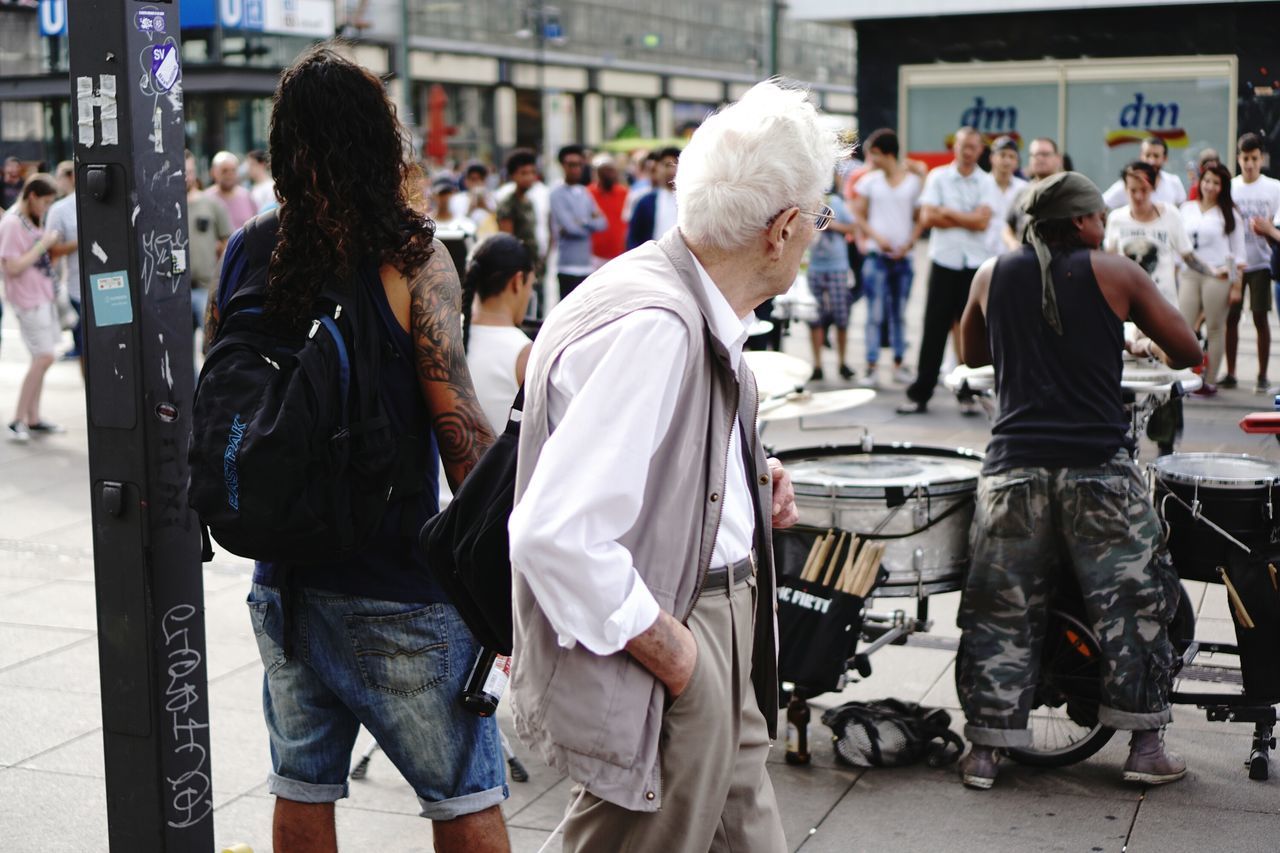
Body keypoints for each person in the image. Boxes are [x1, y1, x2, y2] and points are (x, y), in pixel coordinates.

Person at [508, 80, 824, 852]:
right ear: (782, 229)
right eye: (820, 218)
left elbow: (651, 446)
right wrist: (678, 657)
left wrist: (747, 475)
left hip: (711, 620)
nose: (821, 232)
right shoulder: (661, 322)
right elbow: (555, 533)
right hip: (683, 626)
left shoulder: (673, 292)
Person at [210, 46, 507, 853]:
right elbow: (460, 433)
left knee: (303, 786)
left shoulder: (248, 247)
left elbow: (226, 393)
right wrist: (507, 579)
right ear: (382, 141)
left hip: (285, 582)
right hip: (396, 583)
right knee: (465, 797)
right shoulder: (415, 256)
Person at [955, 171, 1202, 791]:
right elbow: (1187, 351)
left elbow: (971, 355)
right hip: (1098, 472)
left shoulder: (992, 273)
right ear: (1083, 222)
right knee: (1135, 604)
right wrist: (1129, 338)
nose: (1103, 224)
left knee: (999, 610)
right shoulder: (1116, 272)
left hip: (1012, 471)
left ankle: (984, 752)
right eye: (1098, 216)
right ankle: (1145, 749)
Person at [1103, 160, 1212, 455]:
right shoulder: (1117, 219)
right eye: (1132, 190)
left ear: (1152, 186)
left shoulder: (1171, 216)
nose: (1137, 196)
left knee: (1168, 376)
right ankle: (1121, 441)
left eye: (1143, 189)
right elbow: (1109, 260)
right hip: (1126, 310)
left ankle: (1165, 445)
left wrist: (1214, 275)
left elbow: (1187, 255)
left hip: (1162, 305)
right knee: (1122, 376)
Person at [898, 126, 1000, 415]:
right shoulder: (938, 176)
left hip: (974, 265)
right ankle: (921, 393)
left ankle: (969, 392)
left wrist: (948, 213)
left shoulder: (987, 182)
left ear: (980, 150)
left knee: (972, 331)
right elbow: (929, 217)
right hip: (945, 260)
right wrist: (965, 217)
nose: (967, 152)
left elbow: (982, 223)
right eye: (963, 146)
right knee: (934, 328)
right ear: (954, 147)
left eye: (973, 147)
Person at [851, 128, 922, 387]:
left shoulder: (913, 183)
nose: (872, 160)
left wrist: (910, 241)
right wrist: (873, 237)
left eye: (876, 154)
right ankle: (871, 365)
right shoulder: (870, 181)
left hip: (904, 257)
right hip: (877, 255)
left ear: (888, 154)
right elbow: (858, 213)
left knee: (899, 313)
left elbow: (920, 217)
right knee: (875, 313)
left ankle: (899, 363)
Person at [0, 174, 64, 441]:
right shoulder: (13, 223)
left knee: (43, 359)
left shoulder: (26, 219)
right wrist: (43, 245)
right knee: (44, 357)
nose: (46, 208)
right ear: (33, 196)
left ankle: (33, 418)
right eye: (45, 202)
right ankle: (18, 419)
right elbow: (12, 266)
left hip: (41, 295)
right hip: (27, 298)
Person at [1179, 162, 1246, 397]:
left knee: (1216, 329)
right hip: (1190, 273)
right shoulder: (1186, 209)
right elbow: (1177, 245)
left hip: (1218, 276)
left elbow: (1238, 254)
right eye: (1207, 180)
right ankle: (1186, 376)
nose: (1210, 186)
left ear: (1223, 187)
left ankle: (1209, 380)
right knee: (1184, 326)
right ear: (1200, 181)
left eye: (1216, 183)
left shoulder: (1230, 214)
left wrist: (1236, 285)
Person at [1224, 133, 1280, 393]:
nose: (1249, 164)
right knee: (1231, 317)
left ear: (1261, 159)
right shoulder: (1231, 187)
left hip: (1261, 261)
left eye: (1254, 159)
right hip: (1235, 261)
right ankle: (1231, 372)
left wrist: (1268, 230)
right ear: (1238, 159)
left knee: (1260, 317)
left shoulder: (1274, 187)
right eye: (1245, 158)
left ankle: (1262, 374)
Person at [461, 234, 534, 432]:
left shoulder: (444, 334)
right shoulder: (524, 353)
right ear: (517, 282)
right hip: (499, 463)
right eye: (531, 286)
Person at [804, 174, 858, 381]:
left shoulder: (836, 203)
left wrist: (829, 224)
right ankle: (817, 365)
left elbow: (852, 228)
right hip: (814, 265)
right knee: (814, 318)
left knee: (841, 316)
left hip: (837, 266)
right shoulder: (808, 204)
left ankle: (842, 362)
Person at [548, 143, 607, 299]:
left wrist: (582, 221)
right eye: (571, 165)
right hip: (567, 266)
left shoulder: (584, 192)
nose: (576, 169)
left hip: (586, 264)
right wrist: (589, 222)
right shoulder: (557, 193)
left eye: (579, 165)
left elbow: (602, 223)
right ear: (563, 166)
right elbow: (570, 228)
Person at [185, 151, 232, 341]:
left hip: (206, 289)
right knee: (180, 349)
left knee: (212, 344)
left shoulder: (212, 204)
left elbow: (228, 241)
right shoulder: (164, 206)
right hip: (175, 290)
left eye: (190, 171)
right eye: (182, 171)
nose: (186, 176)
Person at [44, 160, 82, 362]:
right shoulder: (59, 209)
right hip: (75, 288)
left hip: (107, 285)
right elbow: (51, 251)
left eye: (59, 177)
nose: (58, 182)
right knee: (85, 351)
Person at [1002, 137, 1063, 249]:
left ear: (1058, 158)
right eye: (1034, 155)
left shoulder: (1067, 190)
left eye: (1045, 154)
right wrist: (1013, 244)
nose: (1039, 158)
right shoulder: (1023, 192)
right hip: (1026, 260)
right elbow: (1008, 227)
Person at [496, 148, 542, 286]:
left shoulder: (530, 202)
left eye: (532, 173)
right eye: (524, 173)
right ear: (513, 175)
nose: (529, 177)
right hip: (518, 272)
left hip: (534, 267)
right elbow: (507, 241)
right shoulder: (508, 204)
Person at [1102, 136, 1186, 210]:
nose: (1151, 161)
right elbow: (1102, 204)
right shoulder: (1128, 184)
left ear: (1165, 158)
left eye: (1156, 156)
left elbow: (1184, 211)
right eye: (1147, 155)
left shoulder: (1174, 182)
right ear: (1141, 156)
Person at [625, 146, 680, 250]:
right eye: (667, 165)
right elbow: (634, 237)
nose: (671, 170)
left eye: (675, 165)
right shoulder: (646, 202)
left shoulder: (692, 201)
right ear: (657, 168)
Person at [985, 136, 1027, 256]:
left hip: (1013, 255)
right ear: (992, 158)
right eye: (1002, 155)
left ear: (1017, 162)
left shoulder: (1024, 188)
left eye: (1011, 156)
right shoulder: (980, 185)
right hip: (981, 255)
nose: (1007, 161)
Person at [587, 152, 628, 266]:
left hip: (619, 255)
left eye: (611, 170)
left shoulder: (624, 193)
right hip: (593, 256)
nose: (608, 174)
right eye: (604, 170)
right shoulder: (588, 193)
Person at [205, 150, 257, 231]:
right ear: (213, 172)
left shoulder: (247, 196)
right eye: (224, 171)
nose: (229, 175)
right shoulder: (206, 198)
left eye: (233, 170)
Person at [450, 162, 496, 230]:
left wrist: (485, 207)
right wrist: (470, 208)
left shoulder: (492, 198)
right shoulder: (457, 199)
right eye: (473, 179)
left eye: (481, 179)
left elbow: (497, 221)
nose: (477, 183)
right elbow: (456, 224)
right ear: (466, 181)